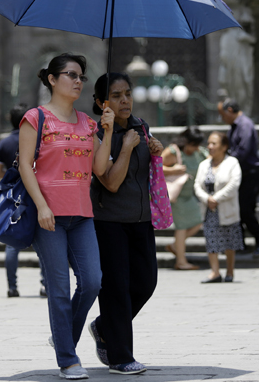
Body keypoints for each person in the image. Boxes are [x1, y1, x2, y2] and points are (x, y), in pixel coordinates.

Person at [18, 53, 114, 380]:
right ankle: (68, 360)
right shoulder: (35, 118)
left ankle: (62, 338)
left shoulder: (89, 123)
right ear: (52, 79)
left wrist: (109, 131)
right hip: (49, 217)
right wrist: (42, 206)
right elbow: (24, 165)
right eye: (70, 75)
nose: (77, 81)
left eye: (81, 77)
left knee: (92, 282)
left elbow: (99, 169)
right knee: (58, 288)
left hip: (82, 215)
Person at [87, 72, 163, 375]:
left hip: (141, 219)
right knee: (116, 289)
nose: (125, 100)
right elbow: (111, 182)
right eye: (116, 95)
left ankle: (104, 326)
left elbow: (149, 169)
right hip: (109, 221)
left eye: (128, 94)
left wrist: (155, 148)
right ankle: (120, 357)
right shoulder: (94, 133)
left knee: (146, 282)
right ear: (100, 102)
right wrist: (127, 147)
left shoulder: (140, 126)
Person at [0, 102, 47, 298]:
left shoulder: (5, 142)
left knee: (12, 242)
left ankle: (12, 287)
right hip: (38, 193)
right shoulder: (39, 139)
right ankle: (45, 285)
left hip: (14, 197)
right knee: (44, 240)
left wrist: (13, 174)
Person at [218, 98, 259, 258]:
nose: (222, 118)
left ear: (230, 110)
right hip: (241, 175)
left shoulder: (244, 125)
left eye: (223, 114)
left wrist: (225, 162)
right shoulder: (234, 126)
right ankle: (241, 245)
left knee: (245, 210)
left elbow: (242, 151)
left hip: (250, 175)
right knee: (240, 210)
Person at [194, 131, 243, 283]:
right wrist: (206, 198)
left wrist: (216, 198)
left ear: (224, 146)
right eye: (209, 143)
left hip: (226, 208)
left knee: (229, 242)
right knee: (211, 241)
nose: (210, 146)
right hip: (209, 209)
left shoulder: (232, 162)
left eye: (214, 143)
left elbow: (234, 184)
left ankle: (229, 271)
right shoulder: (204, 164)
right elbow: (197, 185)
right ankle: (215, 272)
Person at [161, 127, 207, 270]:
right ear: (186, 141)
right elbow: (155, 166)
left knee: (198, 222)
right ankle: (181, 262)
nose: (195, 148)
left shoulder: (199, 152)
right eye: (193, 144)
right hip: (176, 195)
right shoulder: (173, 151)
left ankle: (176, 246)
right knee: (181, 227)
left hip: (189, 195)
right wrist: (173, 170)